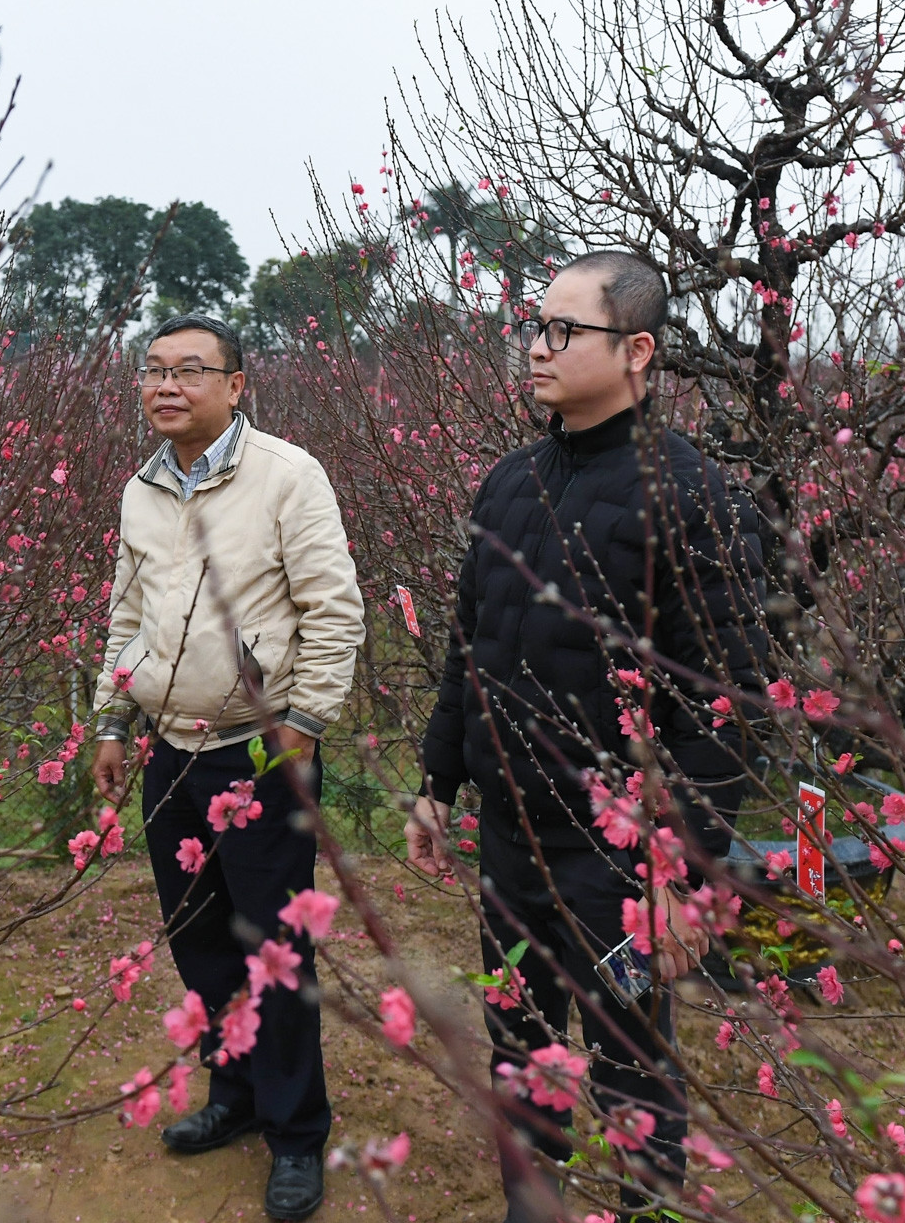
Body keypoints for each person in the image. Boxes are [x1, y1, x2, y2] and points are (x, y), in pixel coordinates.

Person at [407, 252, 768, 1222]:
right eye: (536, 325)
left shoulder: (697, 498)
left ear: (638, 350)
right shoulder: (507, 483)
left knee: (633, 1065)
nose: (538, 345)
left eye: (565, 330)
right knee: (521, 1048)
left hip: (622, 868)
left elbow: (728, 711)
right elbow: (469, 644)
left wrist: (687, 873)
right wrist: (438, 780)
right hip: (511, 843)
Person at [90, 313, 365, 1222]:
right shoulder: (141, 487)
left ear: (237, 385)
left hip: (258, 752)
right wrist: (110, 719)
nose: (166, 386)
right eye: (153, 371)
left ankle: (295, 1135)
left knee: (276, 949)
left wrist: (305, 725)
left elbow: (334, 610)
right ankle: (236, 1095)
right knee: (199, 938)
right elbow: (128, 616)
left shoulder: (287, 475)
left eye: (190, 371)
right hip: (169, 750)